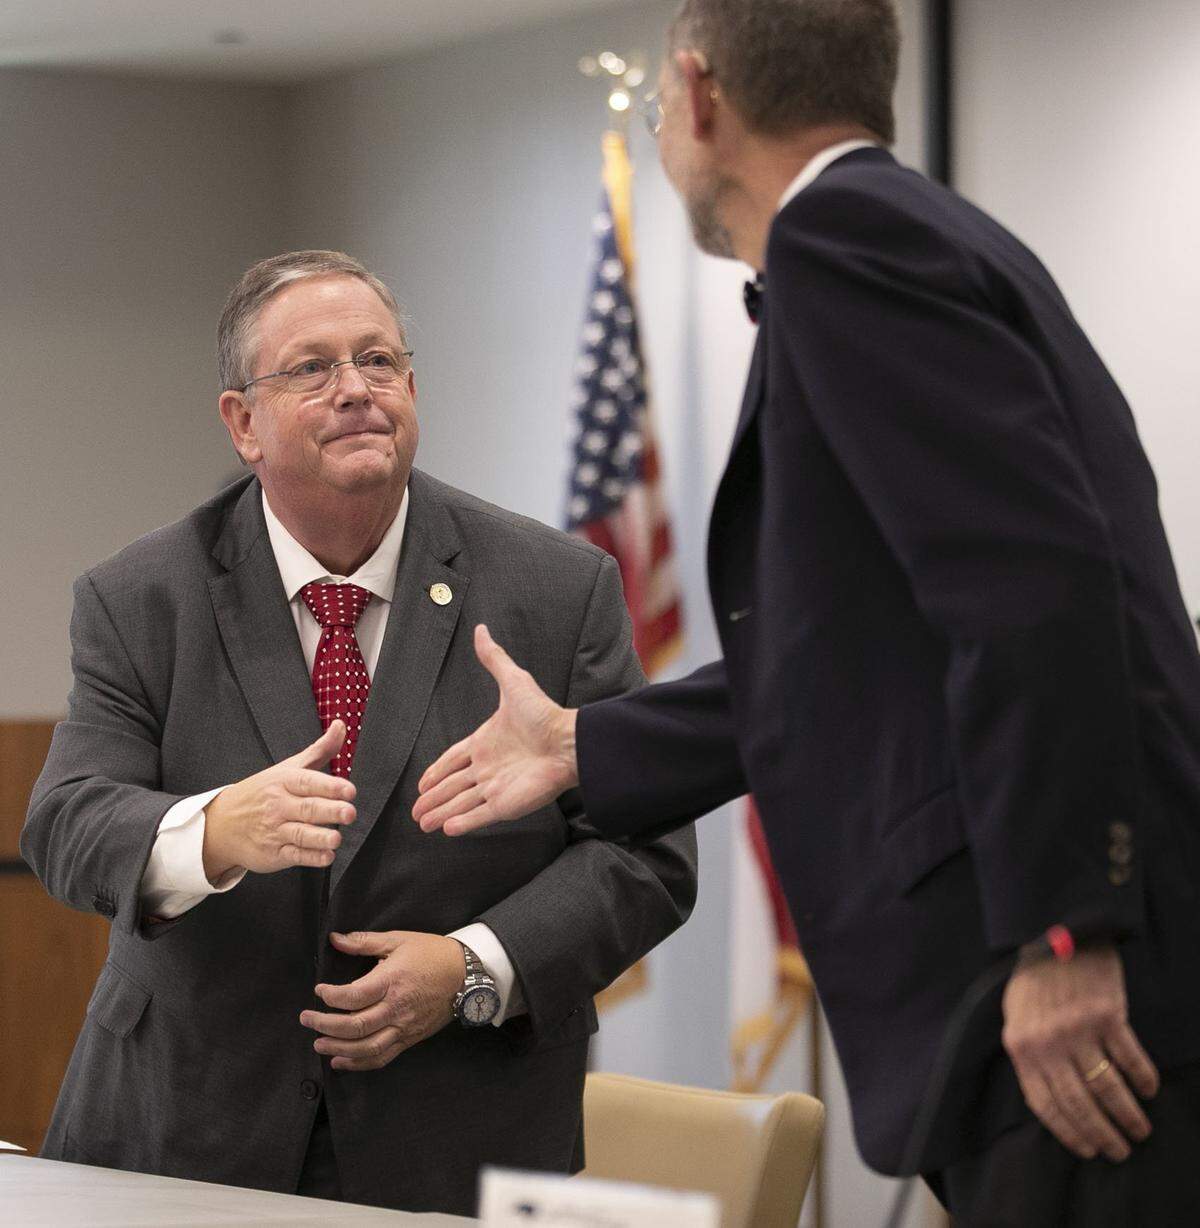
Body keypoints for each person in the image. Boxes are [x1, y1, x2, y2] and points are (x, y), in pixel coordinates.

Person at [413, 2, 1200, 1222]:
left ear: (702, 95)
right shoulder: (911, 234)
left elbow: (1034, 589)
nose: (665, 126)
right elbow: (854, 654)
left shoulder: (847, 243)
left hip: (1062, 974)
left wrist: (1065, 933)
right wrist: (583, 744)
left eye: (660, 106)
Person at [21, 250, 697, 1217]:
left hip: (459, 1130)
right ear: (242, 422)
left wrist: (473, 966)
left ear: (412, 390)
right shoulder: (142, 599)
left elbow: (647, 851)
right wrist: (213, 830)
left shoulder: (556, 590)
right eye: (312, 368)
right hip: (183, 1130)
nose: (355, 391)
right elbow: (67, 825)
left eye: (378, 362)